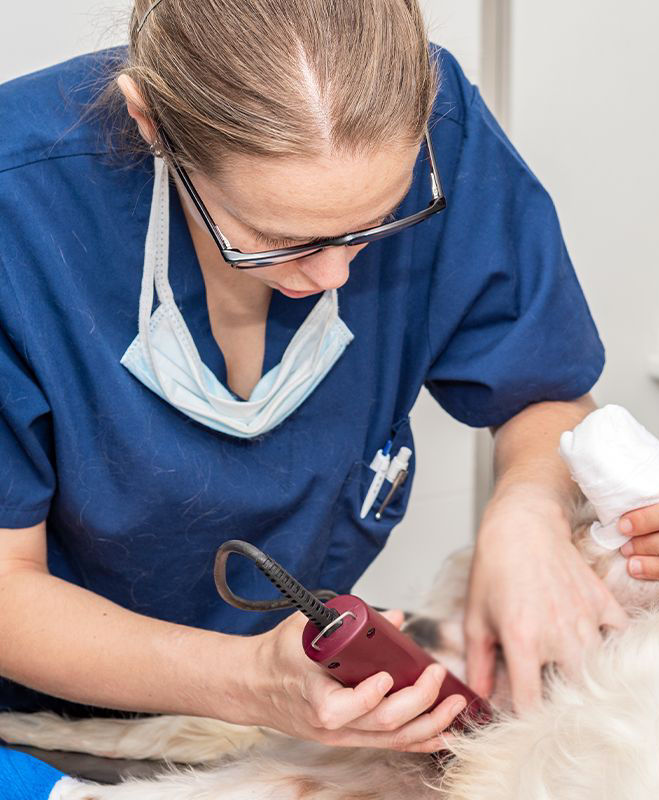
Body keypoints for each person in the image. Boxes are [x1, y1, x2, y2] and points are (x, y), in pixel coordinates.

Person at [0, 0, 625, 756]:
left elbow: (542, 385)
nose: (333, 273)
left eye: (378, 221)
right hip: (40, 721)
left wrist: (528, 511)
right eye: (275, 239)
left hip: (288, 707)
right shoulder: (19, 206)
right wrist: (242, 679)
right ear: (150, 121)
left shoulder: (433, 120)